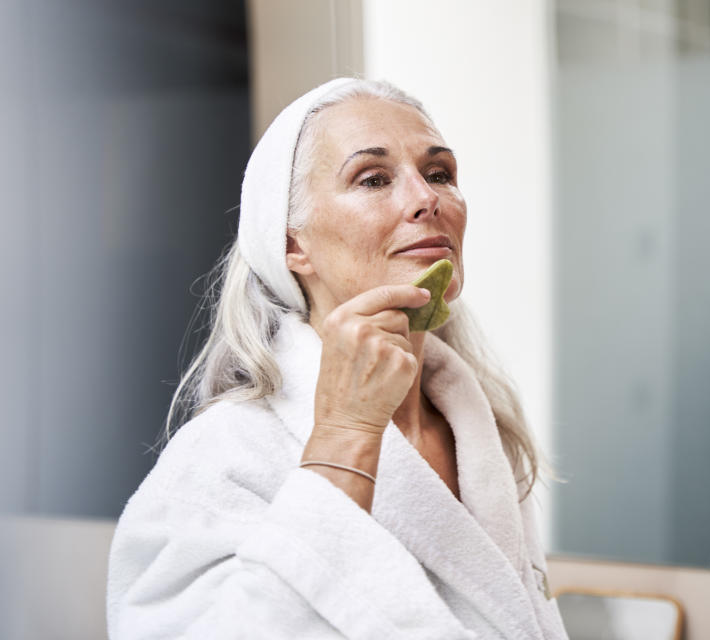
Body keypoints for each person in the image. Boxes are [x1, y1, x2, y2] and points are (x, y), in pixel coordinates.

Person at [107, 78, 568, 639]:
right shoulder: (227, 453)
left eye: (440, 173)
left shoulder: (480, 434)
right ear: (291, 244)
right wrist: (346, 431)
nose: (428, 198)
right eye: (373, 179)